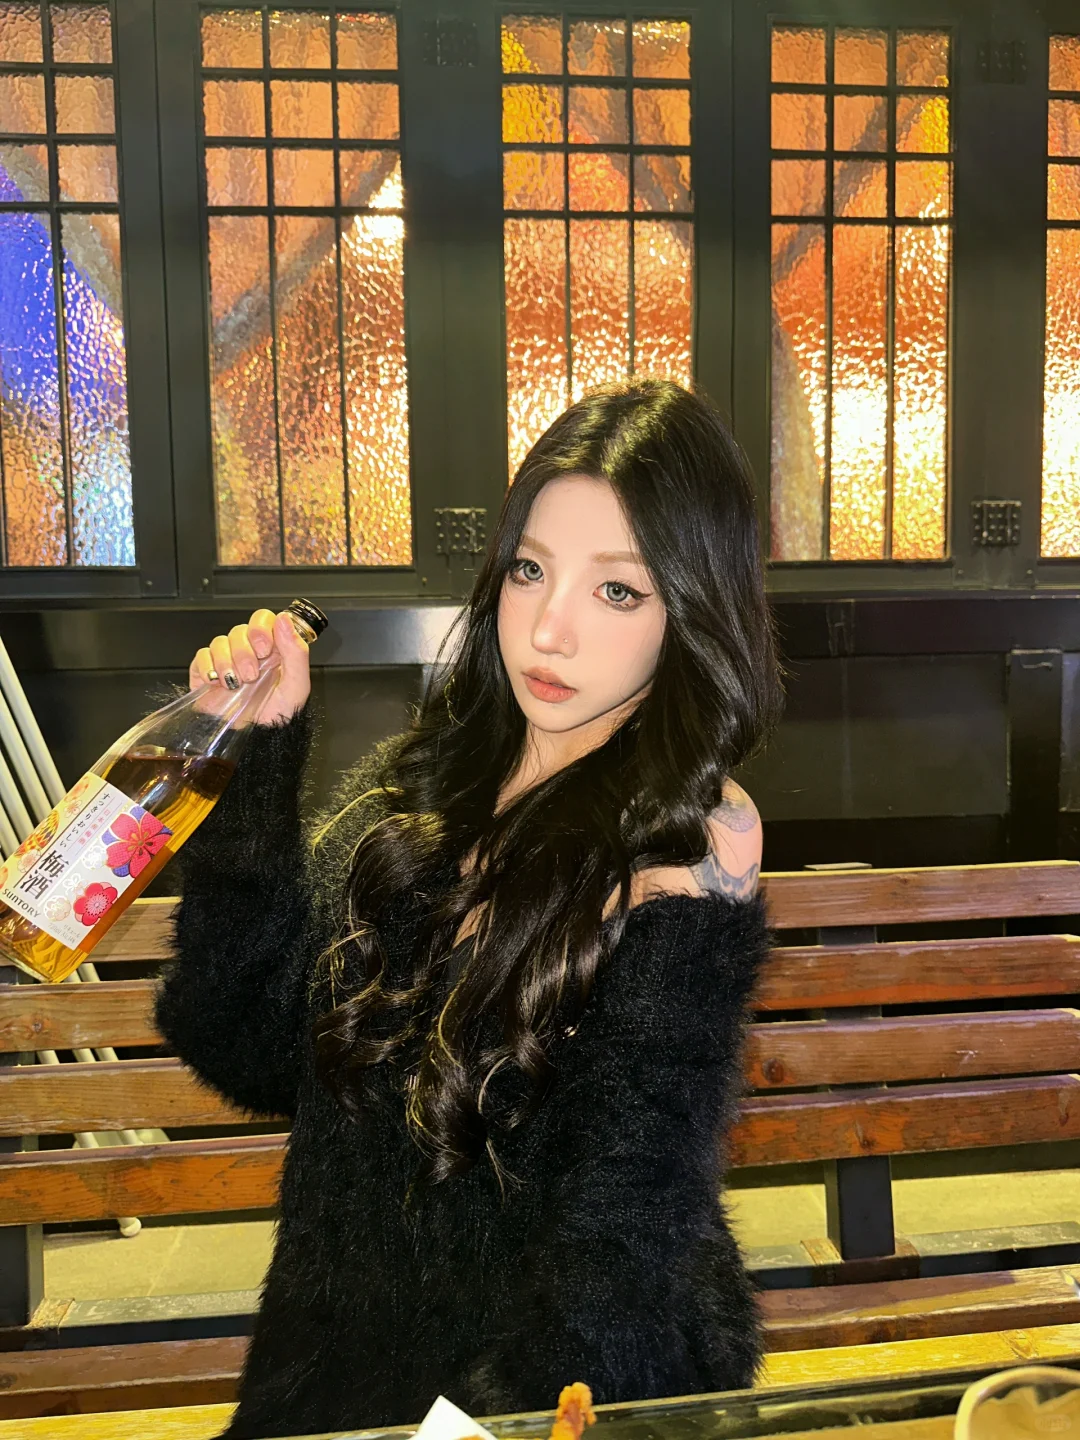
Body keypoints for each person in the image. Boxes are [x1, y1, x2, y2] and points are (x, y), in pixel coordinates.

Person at [159, 380, 782, 1440]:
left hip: (558, 1377)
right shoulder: (417, 786)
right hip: (334, 1365)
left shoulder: (693, 838)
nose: (549, 629)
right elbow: (245, 1050)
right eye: (530, 570)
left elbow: (627, 1227)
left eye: (617, 590)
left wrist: (472, 1429)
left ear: (692, 609)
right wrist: (250, 761)